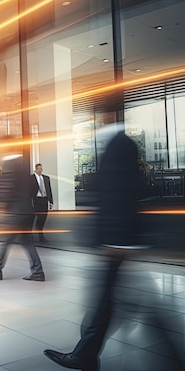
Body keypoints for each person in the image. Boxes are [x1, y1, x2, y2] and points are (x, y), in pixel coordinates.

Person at [43, 127, 184, 371]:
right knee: (115, 302)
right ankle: (85, 354)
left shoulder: (119, 145)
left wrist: (114, 242)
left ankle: (85, 355)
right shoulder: (120, 144)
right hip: (122, 240)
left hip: (119, 241)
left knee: (110, 302)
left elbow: (120, 194)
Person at [0, 141, 45, 281]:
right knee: (27, 242)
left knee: (5, 241)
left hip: (17, 212)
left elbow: (7, 186)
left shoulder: (9, 163)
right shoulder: (23, 163)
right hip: (27, 210)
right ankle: (38, 272)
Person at [30, 163, 53, 242]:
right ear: (35, 169)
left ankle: (41, 235)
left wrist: (50, 201)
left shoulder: (46, 178)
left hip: (44, 199)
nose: (40, 170)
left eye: (41, 168)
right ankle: (30, 235)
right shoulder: (31, 178)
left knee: (43, 217)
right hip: (36, 200)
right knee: (33, 218)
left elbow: (49, 190)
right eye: (39, 168)